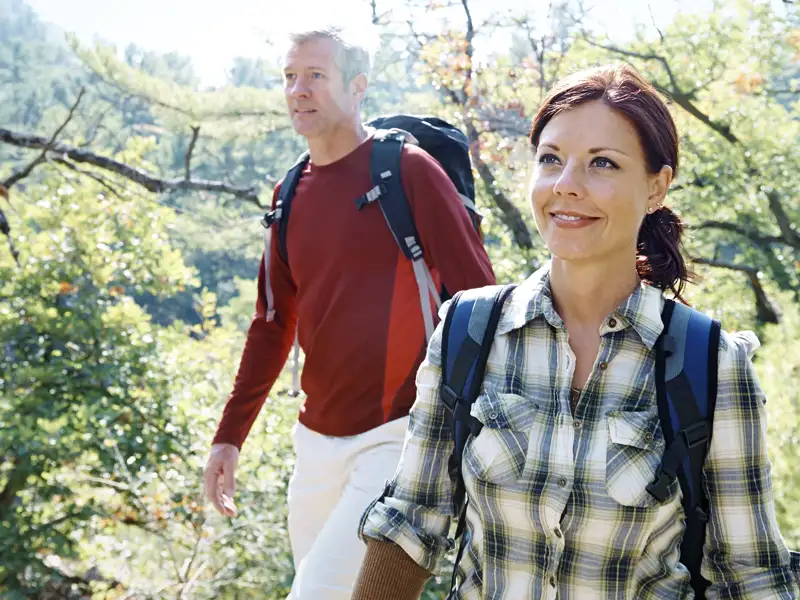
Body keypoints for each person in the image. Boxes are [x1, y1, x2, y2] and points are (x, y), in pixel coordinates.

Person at [353, 64, 800, 599]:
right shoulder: (468, 331)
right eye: (551, 160)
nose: (567, 186)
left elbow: (750, 575)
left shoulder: (712, 364)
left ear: (657, 186)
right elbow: (411, 523)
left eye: (602, 164)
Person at [202, 24, 495, 600]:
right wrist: (228, 437)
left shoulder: (407, 173)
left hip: (399, 436)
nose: (298, 90)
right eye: (289, 76)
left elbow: (480, 298)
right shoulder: (288, 193)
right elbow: (270, 324)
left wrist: (477, 432)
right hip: (313, 443)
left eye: (315, 75)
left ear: (357, 86)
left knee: (315, 594)